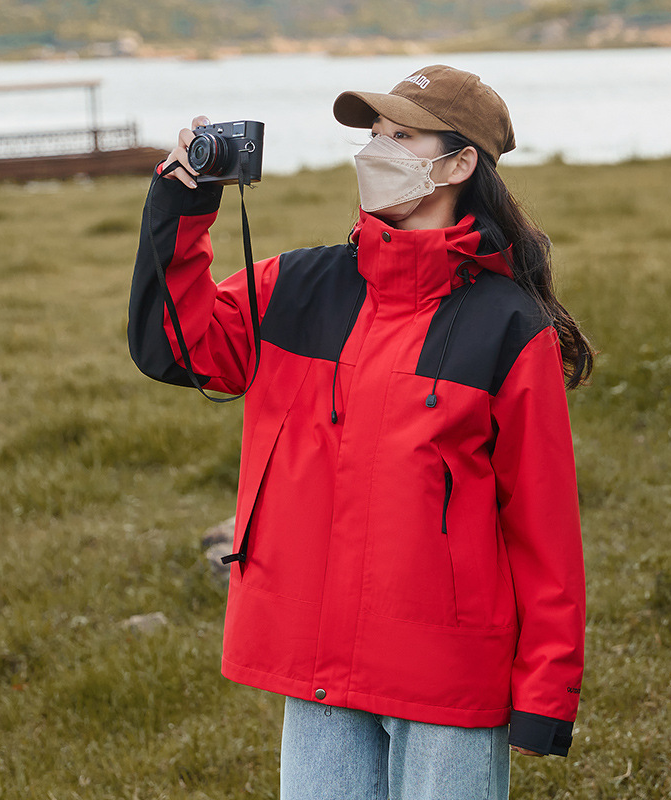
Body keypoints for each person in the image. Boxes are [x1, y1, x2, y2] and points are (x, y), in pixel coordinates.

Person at [128, 64, 593, 800]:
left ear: (460, 162)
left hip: (446, 672)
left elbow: (542, 528)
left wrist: (545, 691)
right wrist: (182, 203)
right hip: (316, 662)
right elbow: (174, 345)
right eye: (374, 136)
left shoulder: (509, 325)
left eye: (401, 137)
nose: (376, 152)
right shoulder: (298, 287)